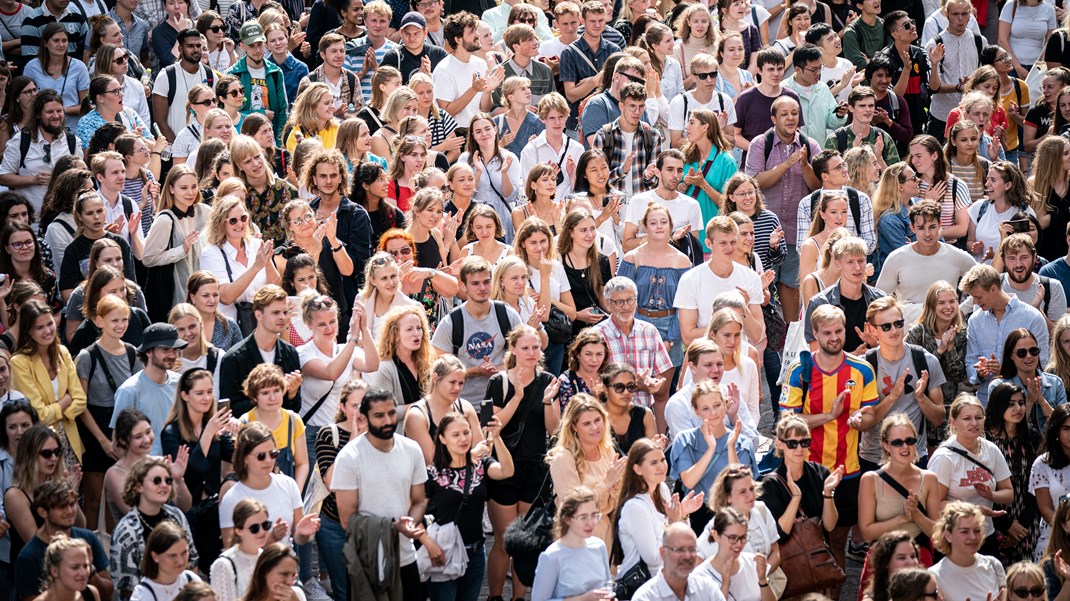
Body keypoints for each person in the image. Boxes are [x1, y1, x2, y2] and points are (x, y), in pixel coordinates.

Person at [331, 386, 428, 601]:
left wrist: (410, 523)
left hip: (406, 557)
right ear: (364, 418)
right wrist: (394, 526)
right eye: (379, 415)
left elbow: (420, 500)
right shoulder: (349, 457)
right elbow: (347, 520)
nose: (387, 421)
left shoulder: (412, 450)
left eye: (392, 413)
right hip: (366, 561)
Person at [423, 410, 513, 601]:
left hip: (475, 552)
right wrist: (429, 545)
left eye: (466, 432)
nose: (463, 438)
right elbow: (415, 514)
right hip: (444, 553)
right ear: (442, 439)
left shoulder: (481, 465)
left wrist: (496, 438)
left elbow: (507, 470)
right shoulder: (432, 474)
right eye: (455, 435)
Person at [857, 296, 947, 471]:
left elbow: (939, 418)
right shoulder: (864, 366)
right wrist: (892, 398)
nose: (894, 330)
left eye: (898, 323)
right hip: (874, 457)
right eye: (886, 326)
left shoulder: (926, 361)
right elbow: (862, 424)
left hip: (914, 456)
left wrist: (921, 398)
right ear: (873, 330)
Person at [927, 395, 1013, 557]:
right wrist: (972, 510)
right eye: (967, 418)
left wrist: (991, 495)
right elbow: (935, 504)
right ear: (953, 422)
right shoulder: (944, 457)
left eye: (978, 418)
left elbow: (1008, 492)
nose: (974, 423)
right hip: (953, 539)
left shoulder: (991, 450)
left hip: (986, 536)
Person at [614, 438, 704, 586]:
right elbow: (654, 559)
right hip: (646, 585)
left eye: (663, 459)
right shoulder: (634, 507)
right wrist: (674, 521)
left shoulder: (662, 488)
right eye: (653, 462)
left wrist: (683, 514)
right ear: (637, 469)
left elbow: (680, 538)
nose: (661, 466)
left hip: (671, 577)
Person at [960, 264, 1049, 405]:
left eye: (978, 297)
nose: (975, 302)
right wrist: (979, 372)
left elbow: (1042, 366)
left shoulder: (1032, 317)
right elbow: (970, 362)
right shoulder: (975, 320)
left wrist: (1005, 371)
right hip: (986, 403)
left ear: (994, 289)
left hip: (1024, 403)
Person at [109, 457, 196, 598]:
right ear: (139, 487)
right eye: (157, 481)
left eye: (168, 481)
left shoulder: (177, 516)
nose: (164, 485)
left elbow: (192, 563)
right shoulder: (126, 531)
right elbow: (127, 589)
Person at [876, 200, 978, 321]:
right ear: (912, 228)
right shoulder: (896, 258)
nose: (927, 234)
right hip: (907, 332)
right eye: (921, 228)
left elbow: (983, 284)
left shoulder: (957, 256)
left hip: (947, 330)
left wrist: (962, 310)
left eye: (932, 227)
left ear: (940, 224)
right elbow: (879, 299)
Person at [13, 480, 111, 601]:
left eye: (72, 504)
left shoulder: (88, 538)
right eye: (62, 507)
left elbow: (107, 594)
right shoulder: (28, 556)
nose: (70, 511)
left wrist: (89, 570)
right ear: (42, 512)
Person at [547, 395, 625, 547]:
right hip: (577, 538)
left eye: (597, 420)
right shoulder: (563, 458)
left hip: (606, 535)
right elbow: (574, 507)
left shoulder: (607, 450)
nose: (595, 427)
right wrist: (608, 481)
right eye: (587, 423)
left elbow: (617, 500)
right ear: (574, 427)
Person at [219, 285, 302, 417]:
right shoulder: (234, 358)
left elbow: (295, 408)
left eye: (285, 312)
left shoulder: (290, 353)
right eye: (275, 313)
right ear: (259, 315)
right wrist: (267, 395)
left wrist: (292, 393)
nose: (282, 317)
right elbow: (229, 409)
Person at [0, 90, 81, 214]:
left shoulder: (72, 142)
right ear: (38, 115)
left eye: (59, 111)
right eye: (49, 112)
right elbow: (3, 176)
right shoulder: (20, 141)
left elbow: (81, 177)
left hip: (64, 218)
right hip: (31, 220)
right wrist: (33, 180)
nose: (56, 115)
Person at [803, 236, 886, 354]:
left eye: (861, 261)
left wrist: (874, 344)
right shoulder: (820, 303)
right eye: (850, 262)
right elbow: (817, 355)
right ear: (838, 264)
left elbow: (890, 347)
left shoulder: (880, 299)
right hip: (835, 372)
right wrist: (854, 357)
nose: (857, 267)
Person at [530, 486, 613, 601]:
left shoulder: (599, 546)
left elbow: (607, 587)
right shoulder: (551, 557)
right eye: (583, 517)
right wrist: (583, 599)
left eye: (594, 515)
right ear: (567, 519)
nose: (591, 523)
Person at [922, 0, 983, 142]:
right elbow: (933, 87)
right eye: (955, 14)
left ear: (971, 15)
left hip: (971, 116)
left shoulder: (979, 41)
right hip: (942, 114)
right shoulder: (934, 44)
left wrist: (973, 86)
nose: (960, 19)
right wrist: (935, 65)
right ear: (946, 14)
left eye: (964, 14)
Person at [928, 501, 1007, 601]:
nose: (973, 537)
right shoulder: (934, 576)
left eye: (977, 531)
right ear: (948, 535)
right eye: (964, 531)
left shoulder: (994, 565)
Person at [632, 522, 726, 601]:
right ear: (663, 552)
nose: (687, 556)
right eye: (680, 550)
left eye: (692, 549)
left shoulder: (708, 590)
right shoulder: (645, 598)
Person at [209, 499, 271, 601]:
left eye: (265, 525)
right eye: (254, 528)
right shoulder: (224, 565)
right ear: (238, 531)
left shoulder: (268, 558)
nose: (262, 532)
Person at [34, 535, 99, 601]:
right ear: (54, 571)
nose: (83, 573)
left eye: (85, 566)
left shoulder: (91, 593)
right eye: (75, 567)